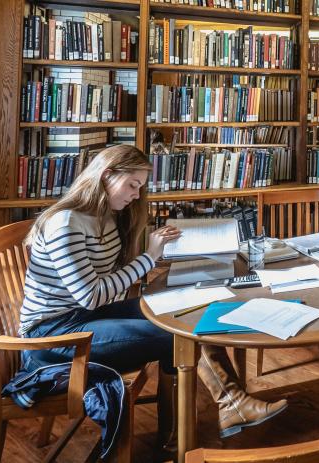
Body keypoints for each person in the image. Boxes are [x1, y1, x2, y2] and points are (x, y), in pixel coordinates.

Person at [19, 145, 287, 439]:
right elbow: (91, 295)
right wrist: (149, 256)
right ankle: (226, 405)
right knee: (177, 333)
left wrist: (163, 252)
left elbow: (110, 281)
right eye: (132, 185)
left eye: (140, 187)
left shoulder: (108, 215)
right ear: (106, 175)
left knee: (188, 315)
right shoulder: (66, 222)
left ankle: (199, 417)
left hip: (87, 317)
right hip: (55, 336)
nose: (136, 194)